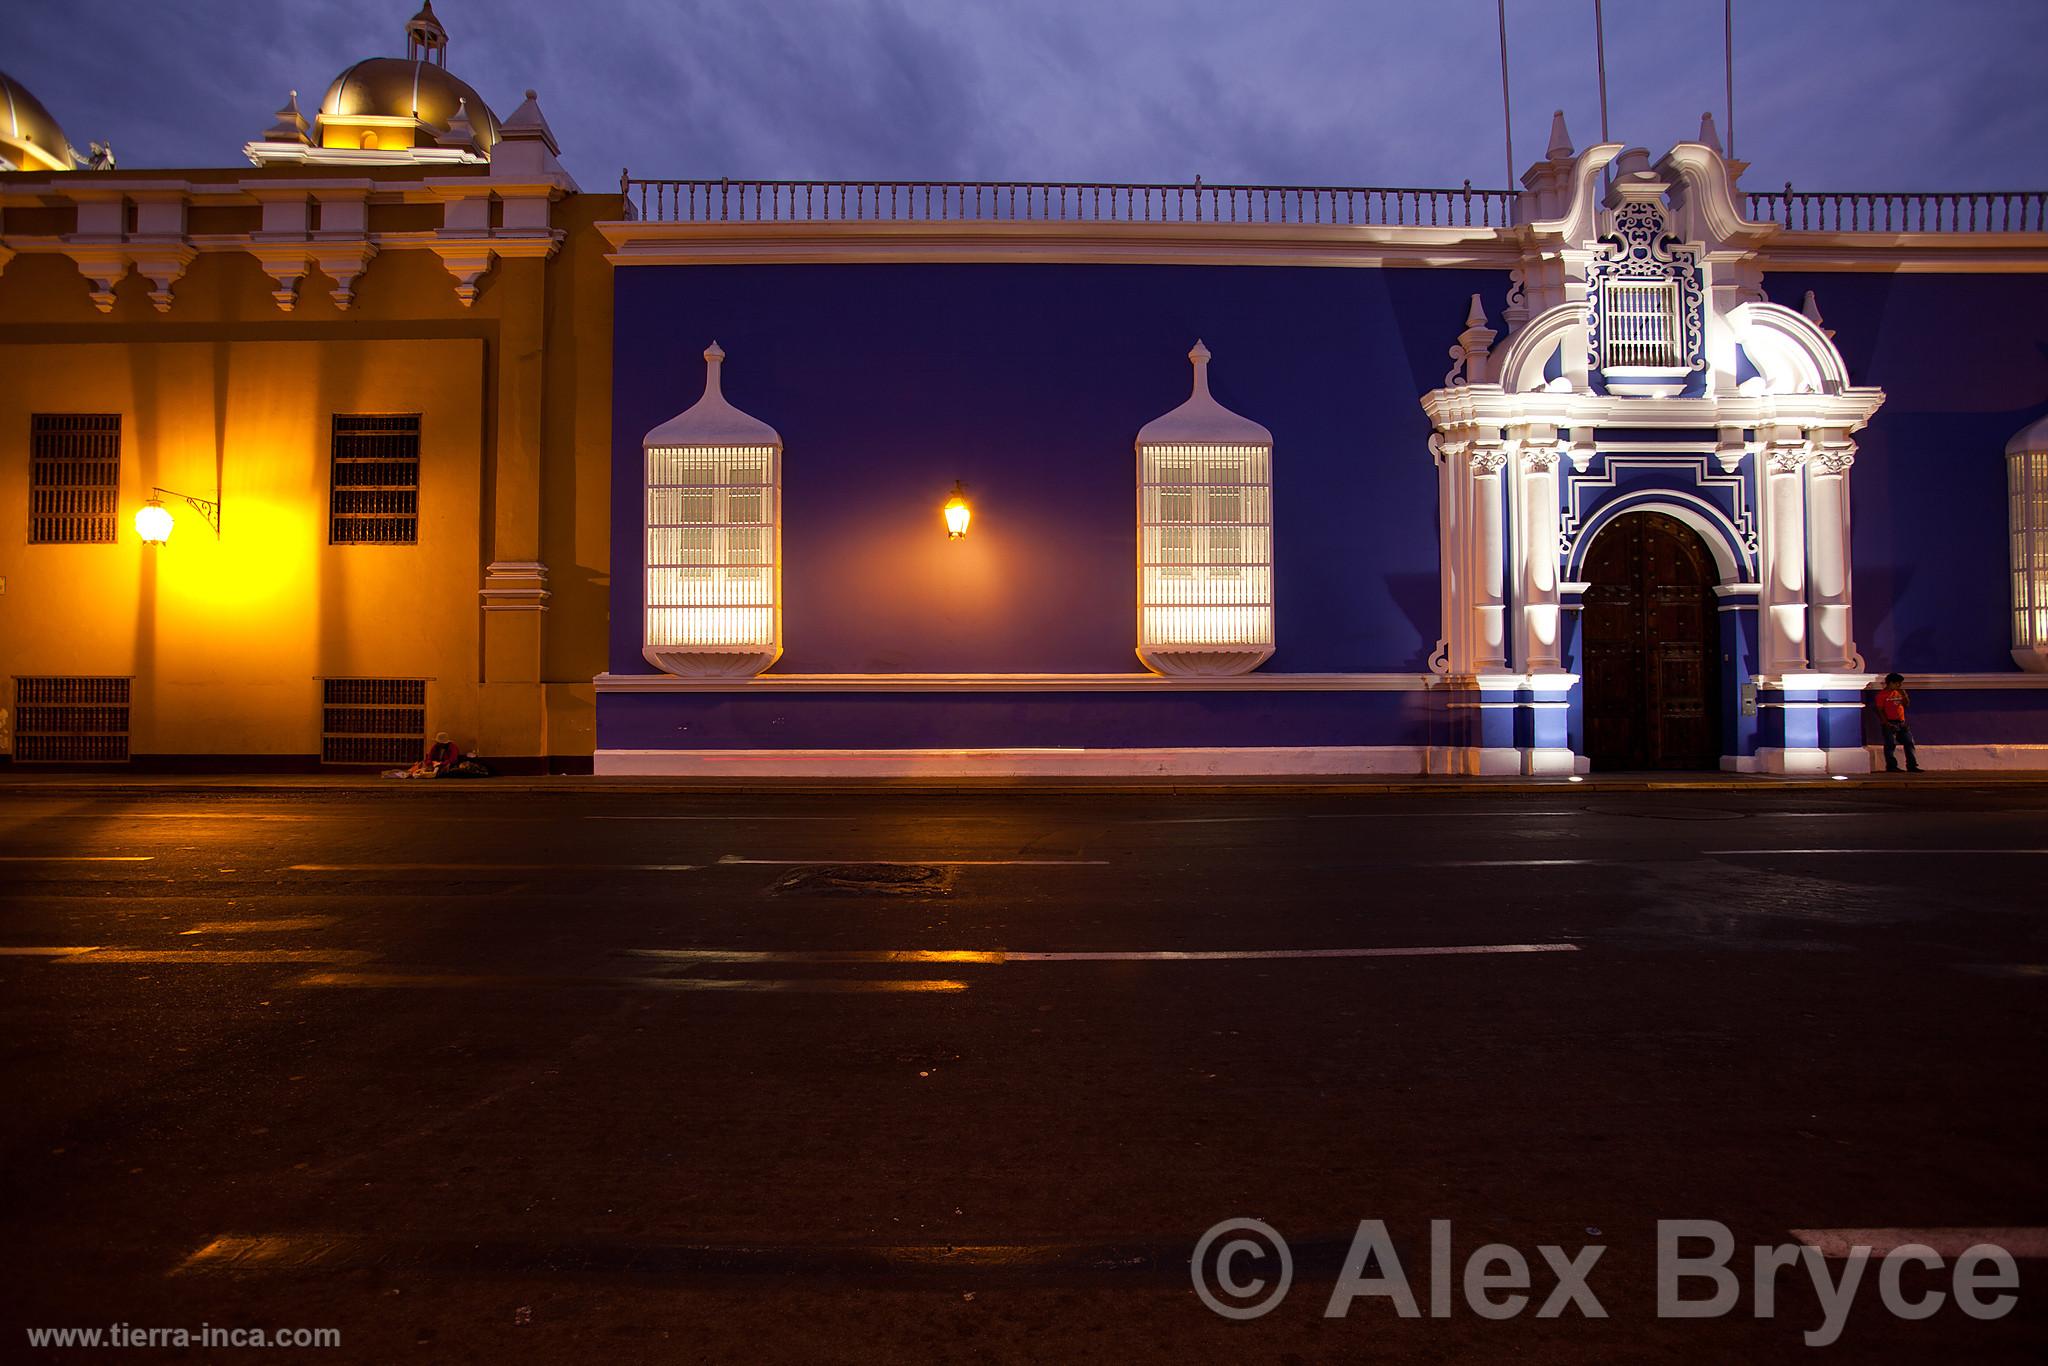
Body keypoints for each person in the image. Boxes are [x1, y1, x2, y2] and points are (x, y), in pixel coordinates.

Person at [1873, 672, 1921, 773]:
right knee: (1890, 744)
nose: (1899, 685)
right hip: (1890, 722)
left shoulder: (1899, 693)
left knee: (1909, 742)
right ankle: (1891, 766)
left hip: (1902, 722)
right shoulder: (1882, 695)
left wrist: (1904, 695)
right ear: (1890, 683)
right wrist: (1886, 723)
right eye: (1897, 683)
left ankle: (1912, 765)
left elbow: (1906, 705)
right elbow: (1879, 710)